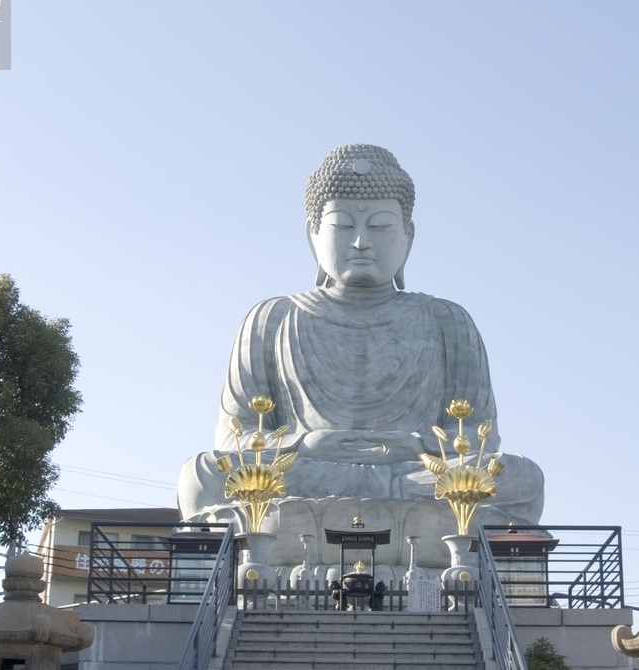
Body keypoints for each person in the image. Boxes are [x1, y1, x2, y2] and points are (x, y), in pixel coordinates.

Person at [178, 144, 544, 572]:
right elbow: (233, 438)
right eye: (342, 225)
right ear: (313, 235)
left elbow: (480, 441)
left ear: (408, 236)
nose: (360, 242)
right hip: (307, 472)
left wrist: (415, 446)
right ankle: (445, 550)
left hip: (414, 476)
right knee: (201, 474)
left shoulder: (448, 320)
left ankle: (272, 549)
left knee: (520, 478)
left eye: (381, 226)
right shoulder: (271, 319)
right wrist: (302, 444)